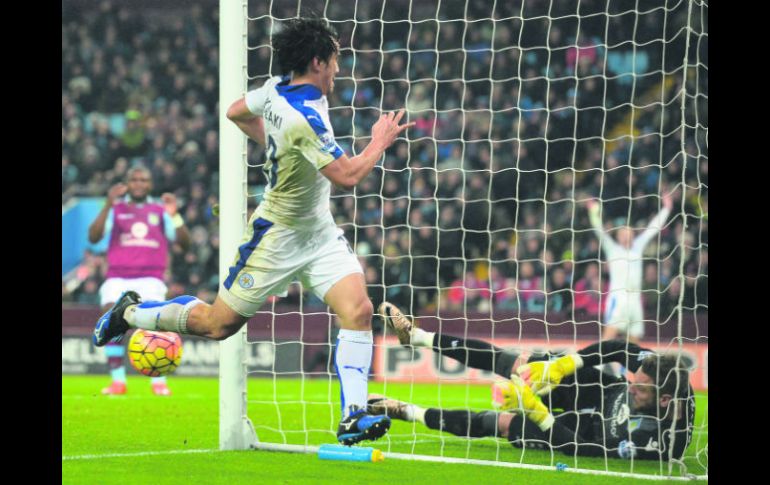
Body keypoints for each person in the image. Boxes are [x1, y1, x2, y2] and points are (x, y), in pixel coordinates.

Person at [92, 17, 414, 445]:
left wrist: (278, 145)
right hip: (275, 236)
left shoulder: (276, 88)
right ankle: (128, 313)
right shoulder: (304, 117)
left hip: (317, 232)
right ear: (318, 62)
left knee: (358, 311)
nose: (339, 69)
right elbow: (348, 176)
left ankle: (353, 415)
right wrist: (379, 140)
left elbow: (235, 112)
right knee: (217, 325)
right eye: (335, 61)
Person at [373, 302, 695, 461]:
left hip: (589, 432)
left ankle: (406, 411)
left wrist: (538, 413)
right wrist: (568, 364)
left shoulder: (657, 443)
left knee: (503, 423)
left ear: (664, 400)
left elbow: (579, 449)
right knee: (523, 365)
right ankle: (419, 336)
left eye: (637, 389)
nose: (632, 386)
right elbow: (614, 349)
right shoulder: (655, 365)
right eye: (632, 380)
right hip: (597, 390)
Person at [88, 165, 190, 395]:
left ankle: (159, 382)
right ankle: (118, 382)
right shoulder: (116, 209)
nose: (138, 184)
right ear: (127, 183)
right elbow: (93, 237)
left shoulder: (160, 209)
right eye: (134, 180)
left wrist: (175, 215)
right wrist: (107, 204)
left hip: (150, 278)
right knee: (110, 318)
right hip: (118, 276)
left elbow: (186, 244)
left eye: (143, 180)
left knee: (157, 323)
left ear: (150, 184)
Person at [587, 195, 673, 343]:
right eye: (623, 233)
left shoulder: (638, 247)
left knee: (634, 345)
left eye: (629, 233)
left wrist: (666, 208)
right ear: (618, 237)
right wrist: (593, 212)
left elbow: (653, 228)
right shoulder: (612, 248)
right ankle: (598, 366)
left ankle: (628, 367)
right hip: (618, 299)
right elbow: (599, 230)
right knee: (607, 339)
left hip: (635, 300)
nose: (627, 236)